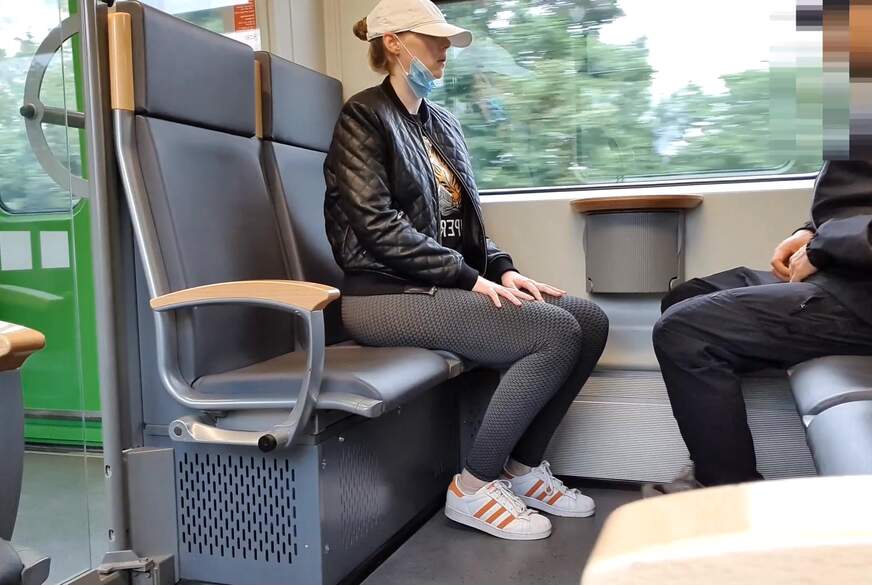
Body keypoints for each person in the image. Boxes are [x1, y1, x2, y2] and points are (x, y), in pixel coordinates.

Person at [323, 0, 609, 540]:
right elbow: (378, 228)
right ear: (393, 43)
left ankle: (521, 469)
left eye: (446, 41)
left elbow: (463, 225)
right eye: (433, 39)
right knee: (551, 332)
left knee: (589, 320)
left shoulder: (443, 126)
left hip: (437, 284)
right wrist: (467, 278)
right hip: (382, 296)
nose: (444, 49)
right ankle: (474, 487)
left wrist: (500, 269)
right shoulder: (364, 117)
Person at [647, 160, 872, 494]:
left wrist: (823, 247)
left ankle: (726, 494)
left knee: (682, 331)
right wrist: (809, 230)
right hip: (844, 269)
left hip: (859, 293)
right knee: (685, 297)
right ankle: (715, 462)